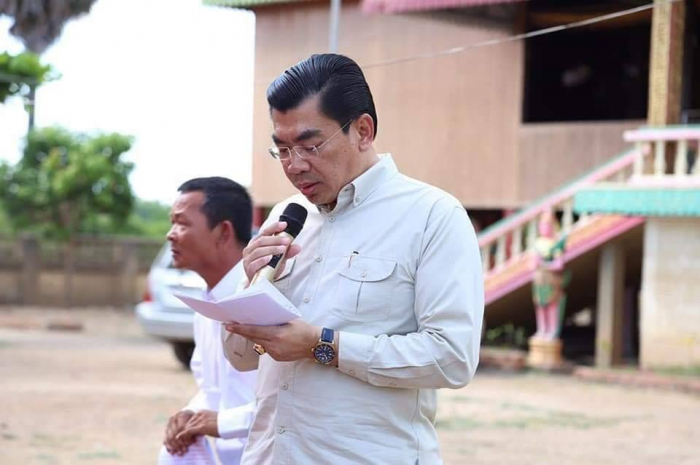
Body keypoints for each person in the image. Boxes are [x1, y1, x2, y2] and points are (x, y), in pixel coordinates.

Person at [222, 54, 484, 464]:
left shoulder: (432, 216)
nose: (294, 166)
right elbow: (240, 359)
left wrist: (322, 345)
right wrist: (250, 286)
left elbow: (452, 358)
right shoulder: (286, 216)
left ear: (363, 130)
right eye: (283, 150)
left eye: (310, 146)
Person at [159, 177, 257, 465]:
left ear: (223, 232)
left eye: (182, 224)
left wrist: (222, 422)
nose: (170, 235)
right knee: (175, 452)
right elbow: (211, 389)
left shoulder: (259, 300)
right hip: (229, 456)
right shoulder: (206, 304)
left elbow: (290, 403)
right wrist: (190, 415)